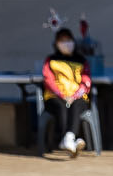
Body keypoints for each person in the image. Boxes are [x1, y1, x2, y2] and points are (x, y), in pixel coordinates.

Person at [40, 26, 94, 157]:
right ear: (56, 43)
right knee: (61, 107)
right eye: (62, 40)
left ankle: (68, 139)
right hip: (55, 97)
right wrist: (62, 95)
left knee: (76, 105)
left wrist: (75, 95)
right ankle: (70, 140)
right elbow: (48, 79)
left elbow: (86, 81)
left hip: (77, 97)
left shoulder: (81, 60)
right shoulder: (51, 60)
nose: (66, 43)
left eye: (68, 40)